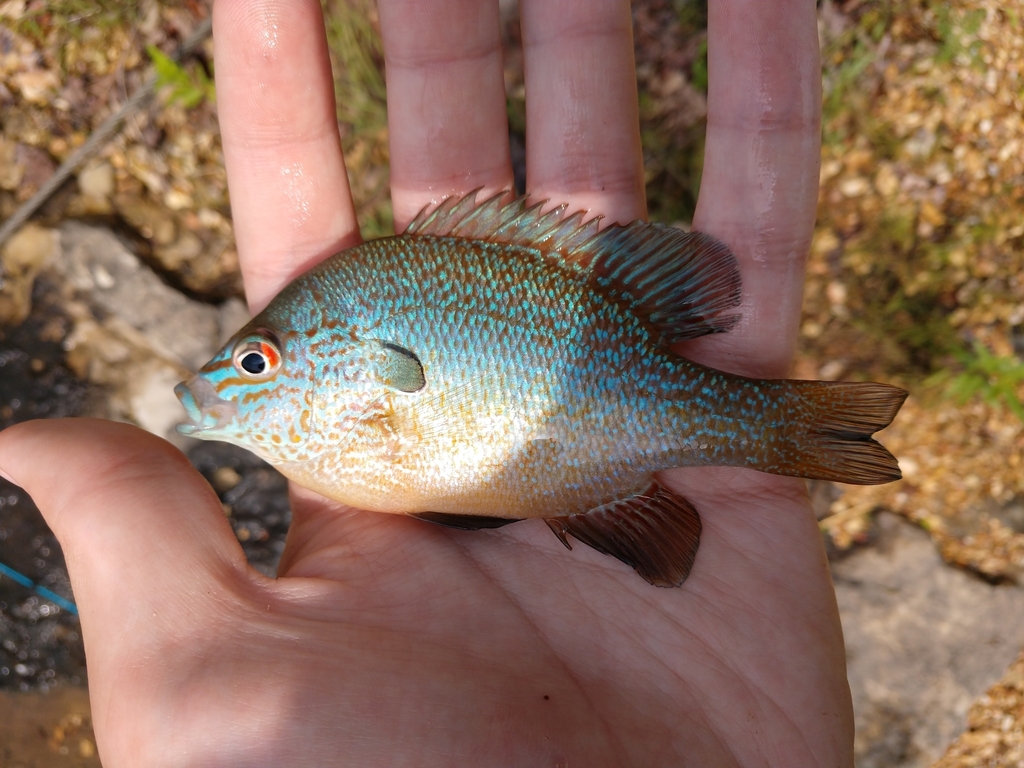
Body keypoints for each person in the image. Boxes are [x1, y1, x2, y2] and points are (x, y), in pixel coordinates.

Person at [0, 0, 847, 764]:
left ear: (346, 365)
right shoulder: (340, 416)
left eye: (257, 362)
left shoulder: (349, 409)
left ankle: (788, 428)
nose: (222, 382)